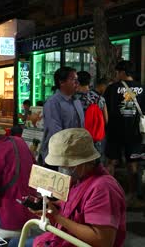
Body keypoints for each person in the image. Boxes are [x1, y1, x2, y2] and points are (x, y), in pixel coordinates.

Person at [11, 128, 126, 247]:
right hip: (60, 239)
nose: (63, 167)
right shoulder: (81, 180)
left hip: (68, 242)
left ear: (82, 162)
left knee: (16, 243)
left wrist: (58, 217)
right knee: (15, 242)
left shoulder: (103, 188)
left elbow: (103, 240)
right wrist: (51, 208)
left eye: (67, 164)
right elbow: (75, 209)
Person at [104, 60, 144, 205]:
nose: (116, 75)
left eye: (117, 72)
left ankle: (109, 193)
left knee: (111, 162)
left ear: (122, 72)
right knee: (132, 164)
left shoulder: (112, 88)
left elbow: (105, 111)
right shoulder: (142, 88)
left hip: (115, 131)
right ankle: (132, 193)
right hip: (136, 133)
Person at [41, 67, 84, 164]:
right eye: (73, 80)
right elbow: (56, 133)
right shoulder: (53, 103)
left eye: (77, 80)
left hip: (75, 155)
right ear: (61, 82)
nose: (77, 83)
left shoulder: (76, 101)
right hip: (58, 157)